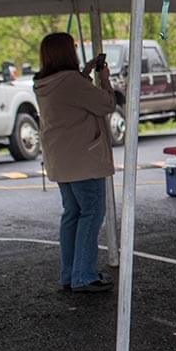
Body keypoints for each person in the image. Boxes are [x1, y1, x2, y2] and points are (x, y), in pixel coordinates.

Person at [33, 32, 118, 293]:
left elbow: (69, 98)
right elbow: (106, 105)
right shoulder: (71, 82)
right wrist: (104, 80)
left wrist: (85, 73)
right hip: (84, 159)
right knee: (91, 213)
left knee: (72, 215)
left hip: (60, 160)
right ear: (67, 53)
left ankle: (69, 274)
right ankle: (84, 275)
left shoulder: (43, 82)